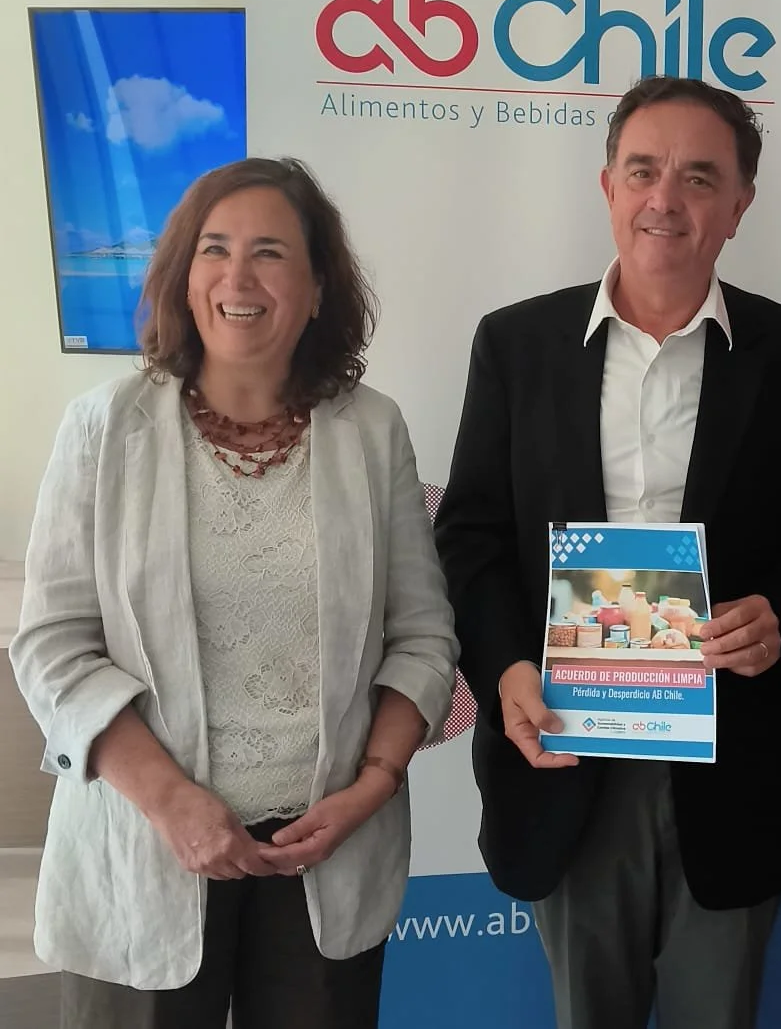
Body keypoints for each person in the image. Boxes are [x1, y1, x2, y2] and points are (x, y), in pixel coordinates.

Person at [434, 74, 781, 1029]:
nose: (666, 198)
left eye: (700, 177)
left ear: (740, 206)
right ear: (609, 187)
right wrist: (505, 669)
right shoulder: (517, 345)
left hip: (731, 758)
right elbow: (470, 535)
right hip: (565, 750)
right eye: (643, 171)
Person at [11, 157, 458, 1029]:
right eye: (214, 250)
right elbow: (53, 646)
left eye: (270, 253)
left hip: (326, 853)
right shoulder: (104, 428)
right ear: (184, 277)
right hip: (145, 844)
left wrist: (373, 784)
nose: (238, 278)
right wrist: (172, 803)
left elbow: (423, 638)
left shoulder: (372, 431)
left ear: (318, 288)